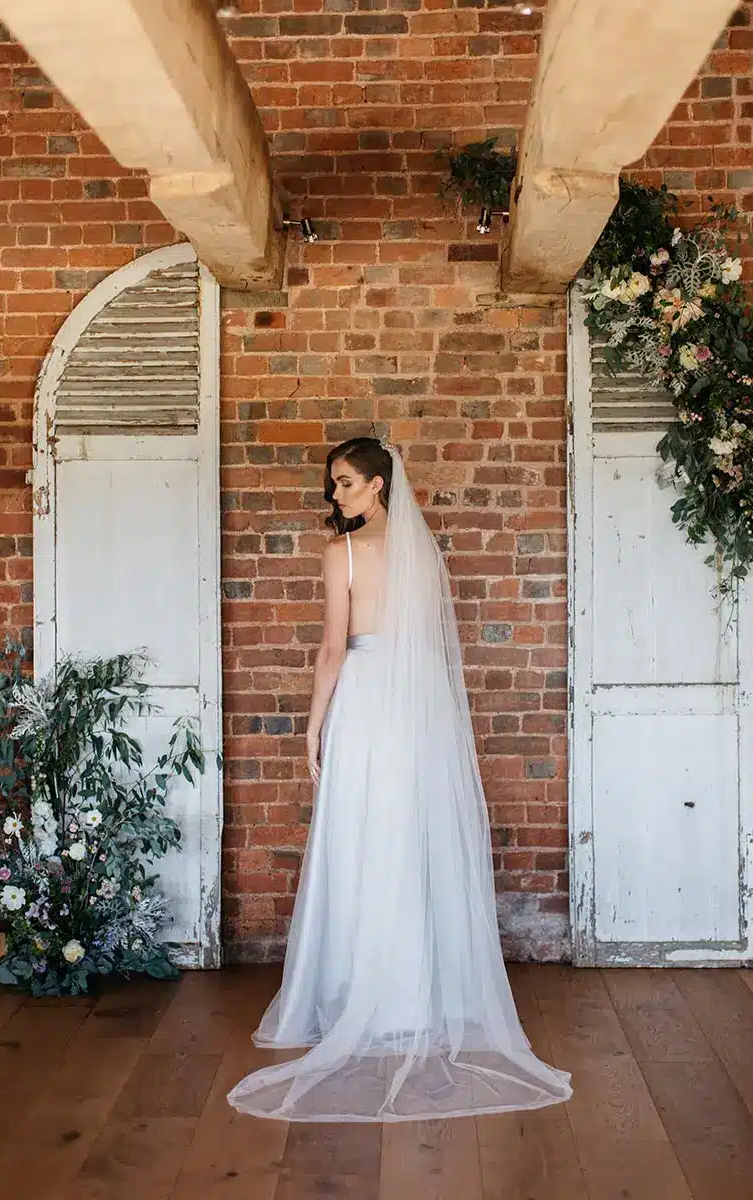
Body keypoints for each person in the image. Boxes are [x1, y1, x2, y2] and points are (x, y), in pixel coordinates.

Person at [227, 436, 572, 1122]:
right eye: (335, 485)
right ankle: (419, 999)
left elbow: (332, 647)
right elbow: (431, 643)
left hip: (364, 698)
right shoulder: (423, 553)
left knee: (362, 837)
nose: (337, 495)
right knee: (411, 840)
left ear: (379, 485)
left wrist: (312, 722)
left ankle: (364, 994)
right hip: (418, 708)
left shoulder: (343, 553)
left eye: (346, 483)